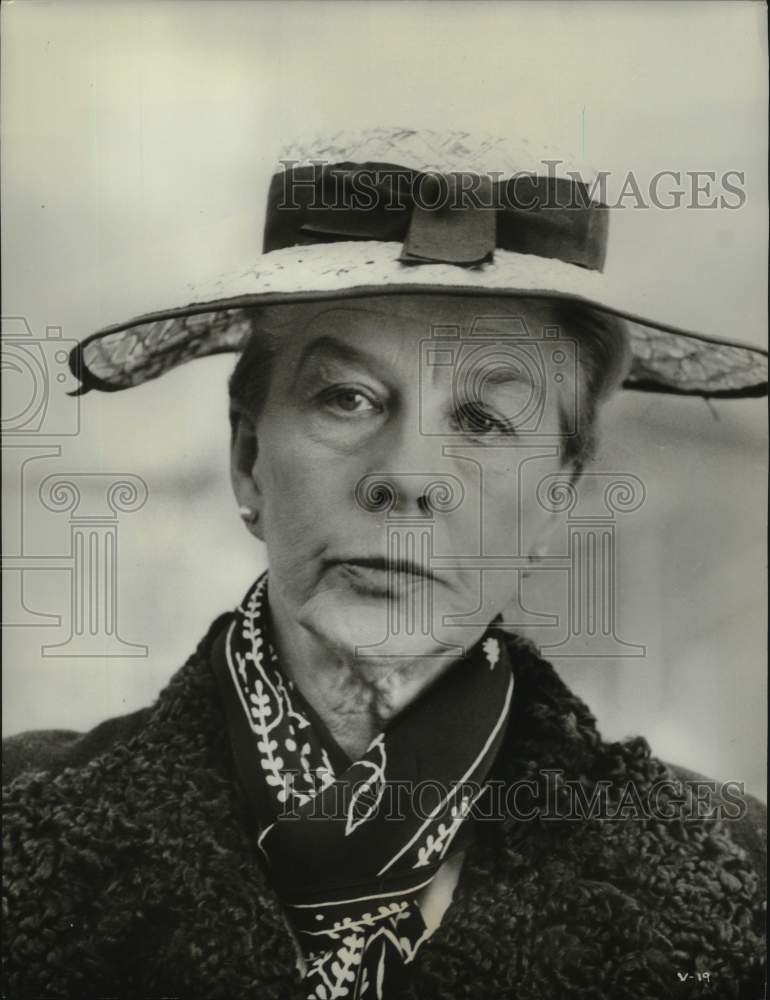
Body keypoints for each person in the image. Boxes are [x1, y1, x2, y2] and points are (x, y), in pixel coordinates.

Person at [3, 129, 766, 1000]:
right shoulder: (22, 824)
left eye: (482, 421)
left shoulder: (733, 874)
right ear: (250, 460)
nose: (405, 479)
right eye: (347, 398)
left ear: (557, 498)